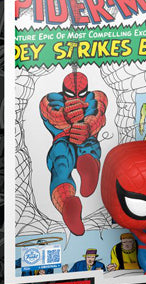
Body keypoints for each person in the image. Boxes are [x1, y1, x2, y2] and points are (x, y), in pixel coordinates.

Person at [40, 71, 107, 235]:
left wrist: (87, 126)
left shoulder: (95, 97)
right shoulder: (52, 99)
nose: (77, 97)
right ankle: (68, 204)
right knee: (61, 162)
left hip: (85, 138)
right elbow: (49, 112)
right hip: (63, 140)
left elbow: (98, 113)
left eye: (81, 94)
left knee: (71, 157)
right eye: (71, 95)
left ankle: (88, 166)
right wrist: (64, 115)